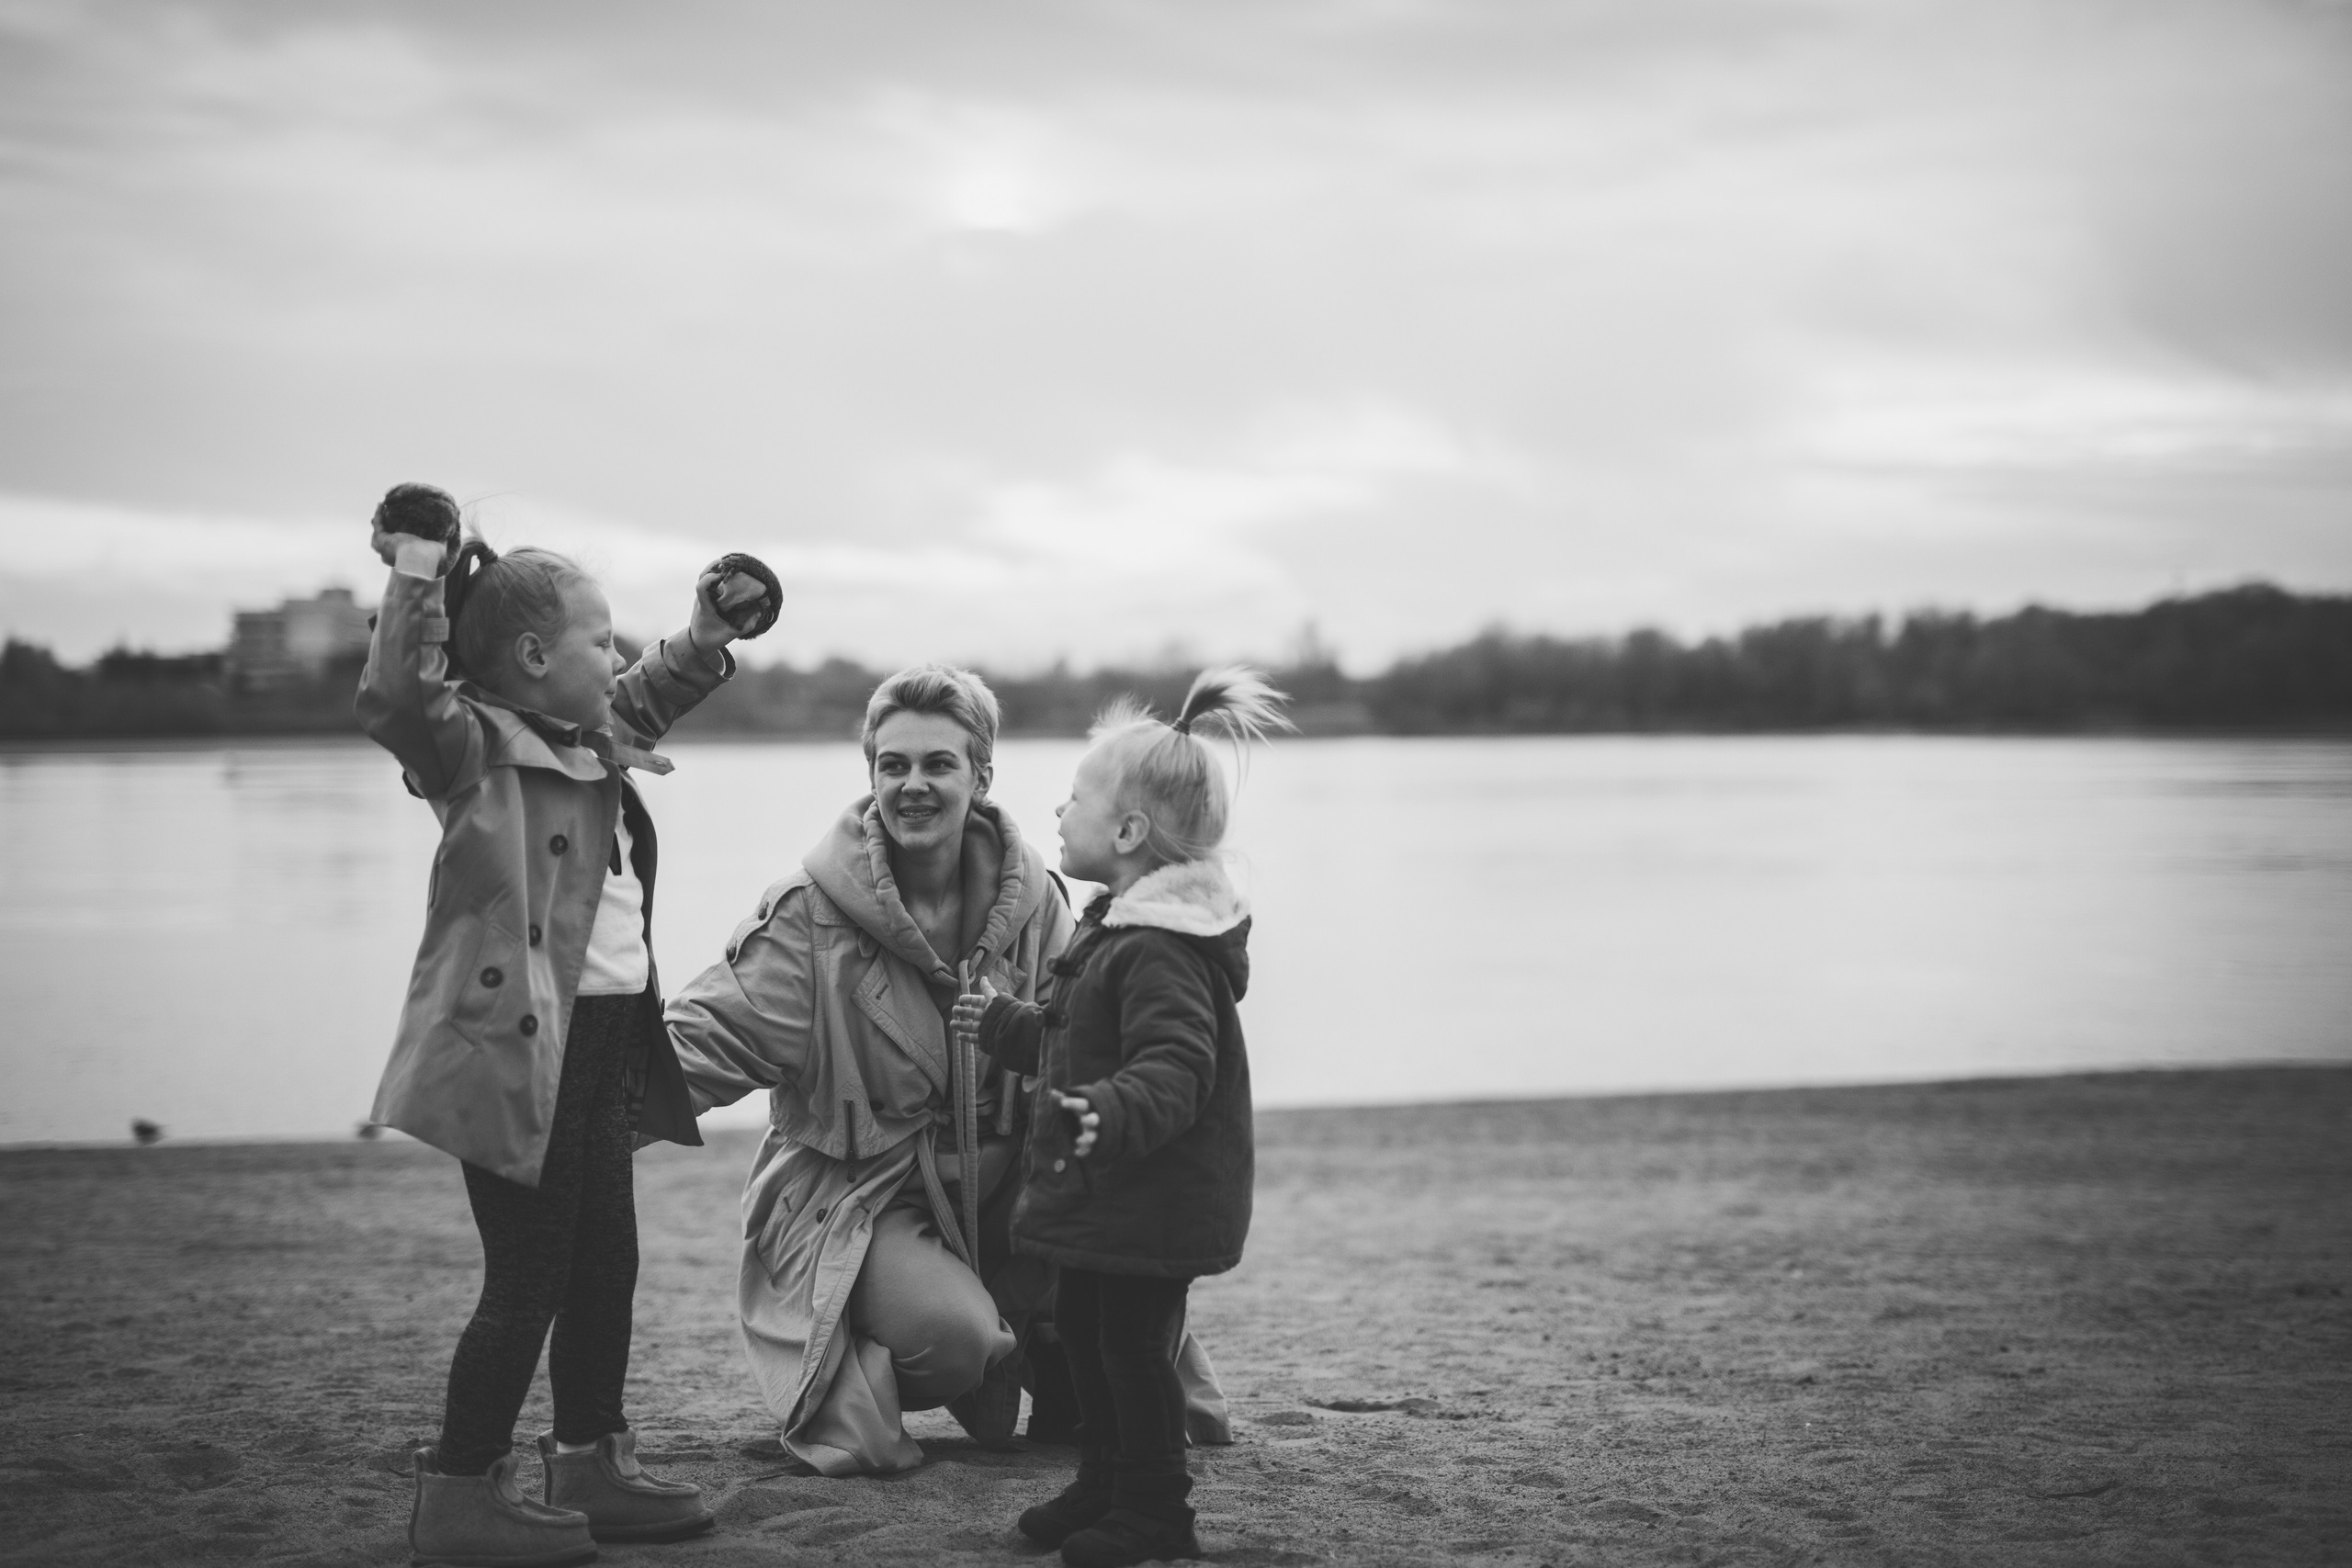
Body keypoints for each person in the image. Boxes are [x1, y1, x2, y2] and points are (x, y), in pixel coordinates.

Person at [661, 665, 1232, 1476]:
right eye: (892, 765)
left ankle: (1060, 1365)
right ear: (871, 777)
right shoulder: (806, 913)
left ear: (982, 776)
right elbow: (699, 1040)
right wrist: (572, 1104)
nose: (913, 785)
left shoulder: (1039, 899)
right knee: (958, 1340)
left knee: (1116, 1245)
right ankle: (885, 1354)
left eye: (938, 764)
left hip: (1009, 1188)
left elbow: (1094, 1044)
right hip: (859, 1198)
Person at [356, 483, 755, 1566]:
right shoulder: (473, 751)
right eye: (598, 637)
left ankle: (589, 1461)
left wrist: (705, 636)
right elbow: (399, 692)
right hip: (522, 1052)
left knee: (605, 1259)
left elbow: (647, 694)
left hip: (614, 1032)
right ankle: (458, 1494)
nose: (614, 654)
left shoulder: (584, 734)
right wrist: (415, 572)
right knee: (530, 1271)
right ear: (534, 658)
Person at [953, 667, 1283, 1568]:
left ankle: (1154, 1511)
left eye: (1074, 799)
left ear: (1130, 832)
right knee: (1093, 1344)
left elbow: (1176, 1069)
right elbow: (1077, 1035)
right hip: (1111, 1198)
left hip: (1153, 1200)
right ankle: (1104, 1479)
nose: (1056, 813)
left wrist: (1101, 1114)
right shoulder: (1119, 929)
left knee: (1133, 1355)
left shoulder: (1162, 950)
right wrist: (1009, 1028)